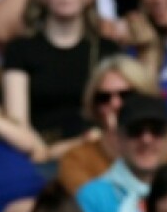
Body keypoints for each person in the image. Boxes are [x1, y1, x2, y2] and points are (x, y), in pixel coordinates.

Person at [1, 0, 119, 155]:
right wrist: (45, 152)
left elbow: (118, 116)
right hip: (36, 155)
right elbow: (18, 122)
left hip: (96, 153)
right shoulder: (20, 50)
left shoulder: (108, 50)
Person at [57, 55, 158, 195]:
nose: (115, 104)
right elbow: (96, 204)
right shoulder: (76, 160)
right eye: (104, 98)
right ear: (94, 105)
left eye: (126, 95)